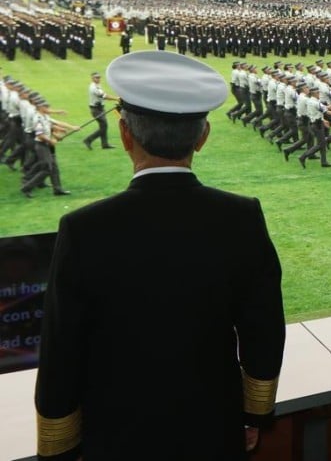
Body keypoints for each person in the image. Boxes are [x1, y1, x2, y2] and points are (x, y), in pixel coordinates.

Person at [34, 50, 286, 460]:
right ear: (202, 137)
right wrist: (254, 414)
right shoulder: (241, 217)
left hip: (117, 434)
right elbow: (264, 329)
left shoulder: (84, 228)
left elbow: (62, 348)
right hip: (211, 426)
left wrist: (59, 442)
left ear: (124, 134)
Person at [82, 71, 117, 150]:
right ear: (92, 78)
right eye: (96, 78)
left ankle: (105, 144)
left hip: (100, 108)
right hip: (96, 110)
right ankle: (88, 140)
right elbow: (104, 96)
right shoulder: (94, 88)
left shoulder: (97, 85)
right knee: (104, 127)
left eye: (99, 77)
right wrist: (117, 99)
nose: (98, 79)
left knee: (103, 126)